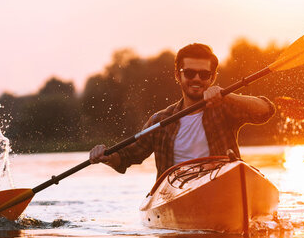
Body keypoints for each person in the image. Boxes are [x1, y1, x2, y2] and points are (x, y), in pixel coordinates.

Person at [89, 43, 275, 179]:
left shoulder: (224, 108)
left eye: (204, 74)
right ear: (178, 75)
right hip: (174, 194)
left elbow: (266, 110)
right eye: (189, 73)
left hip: (222, 184)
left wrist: (227, 96)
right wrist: (105, 156)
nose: (196, 79)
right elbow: (125, 158)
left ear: (212, 77)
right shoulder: (159, 121)